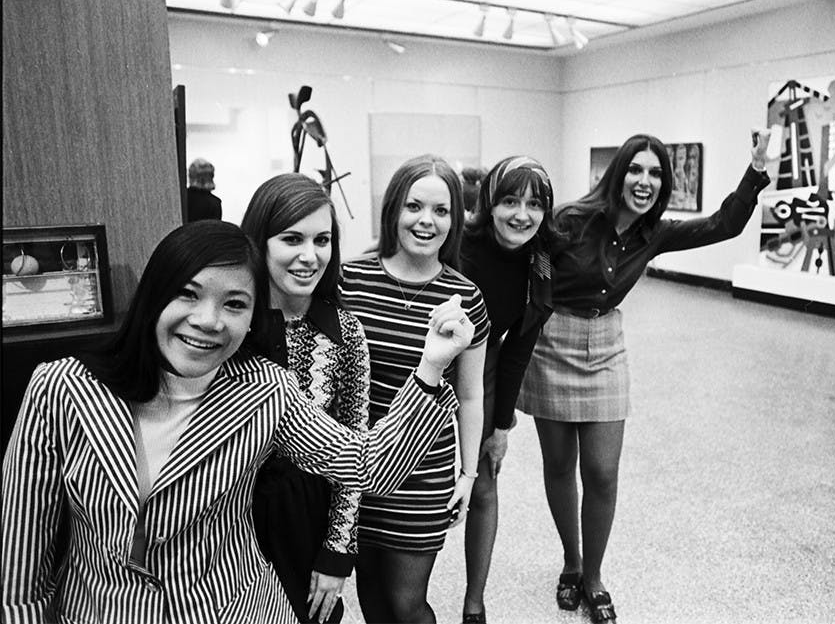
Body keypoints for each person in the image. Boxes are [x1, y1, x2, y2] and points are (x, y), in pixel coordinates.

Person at [1, 220, 475, 623]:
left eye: (234, 304)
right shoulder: (60, 390)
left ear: (252, 319)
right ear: (153, 297)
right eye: (188, 295)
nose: (209, 321)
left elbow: (369, 467)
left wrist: (431, 367)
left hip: (234, 607)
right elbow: (22, 567)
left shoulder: (265, 390)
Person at [517, 130, 772, 624]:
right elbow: (527, 267)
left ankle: (594, 576)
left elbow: (724, 224)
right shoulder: (570, 220)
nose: (645, 180)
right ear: (617, 174)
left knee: (602, 473)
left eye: (655, 173)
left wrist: (755, 174)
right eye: (636, 169)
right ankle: (571, 563)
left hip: (606, 346)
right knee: (558, 465)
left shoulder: (652, 233)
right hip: (552, 341)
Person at [341, 154, 489, 623]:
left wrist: (468, 475)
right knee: (373, 603)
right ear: (393, 213)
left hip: (423, 473)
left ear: (455, 221)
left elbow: (470, 396)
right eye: (414, 206)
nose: (426, 221)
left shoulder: (465, 297)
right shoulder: (350, 280)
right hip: (358, 468)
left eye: (441, 211)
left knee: (407, 604)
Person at [242, 174, 364, 623]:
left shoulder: (345, 332)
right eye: (292, 238)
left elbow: (355, 450)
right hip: (233, 513)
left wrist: (336, 555)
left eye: (323, 239)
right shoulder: (234, 324)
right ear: (260, 241)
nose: (309, 255)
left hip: (307, 512)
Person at [458, 156, 559, 624]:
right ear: (488, 204)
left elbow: (520, 347)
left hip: (487, 373)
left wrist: (502, 425)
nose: (522, 214)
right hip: (429, 369)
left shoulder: (539, 262)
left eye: (534, 204)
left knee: (482, 484)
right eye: (510, 201)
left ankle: (474, 602)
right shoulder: (457, 245)